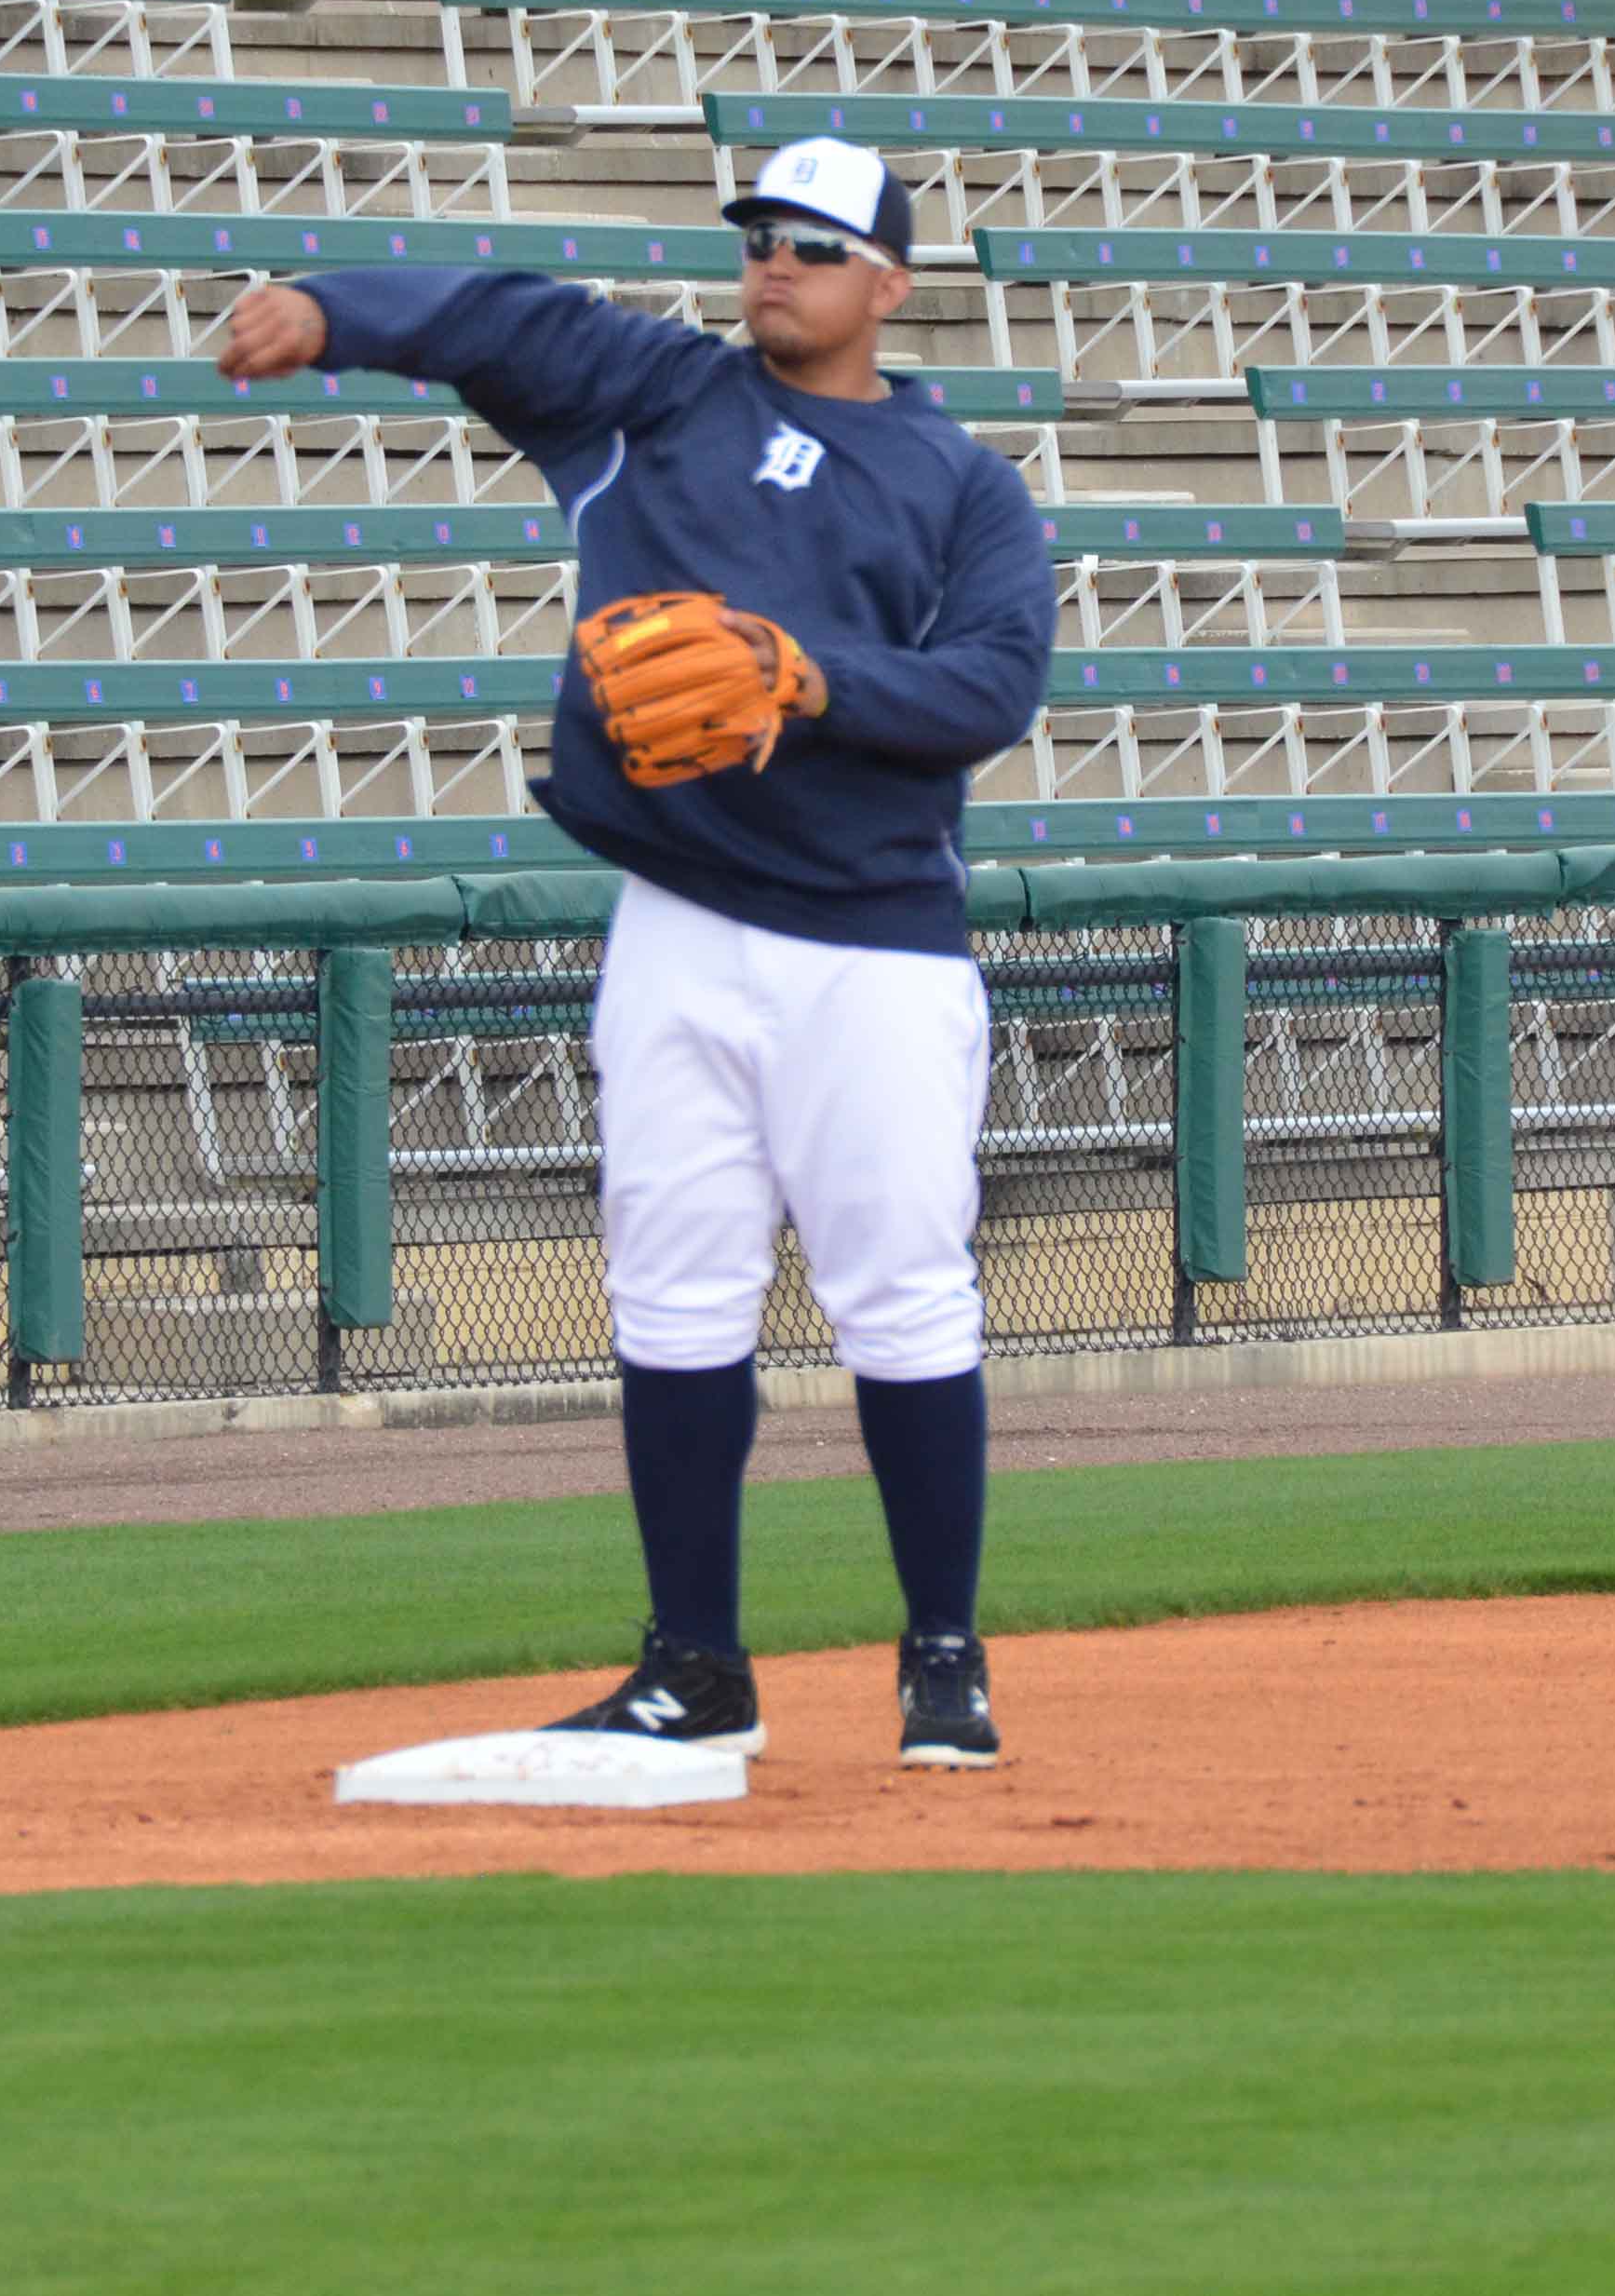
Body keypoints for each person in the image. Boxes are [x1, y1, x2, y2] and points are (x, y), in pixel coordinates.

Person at [218, 136, 1050, 1766]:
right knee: (673, 1298)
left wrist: (810, 679)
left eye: (815, 246)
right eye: (761, 238)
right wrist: (328, 311)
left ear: (891, 283)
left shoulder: (963, 484)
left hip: (875, 945)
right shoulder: (661, 398)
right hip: (677, 918)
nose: (776, 265)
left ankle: (944, 1658)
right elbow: (497, 319)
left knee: (902, 1297)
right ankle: (694, 1668)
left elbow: (993, 687)